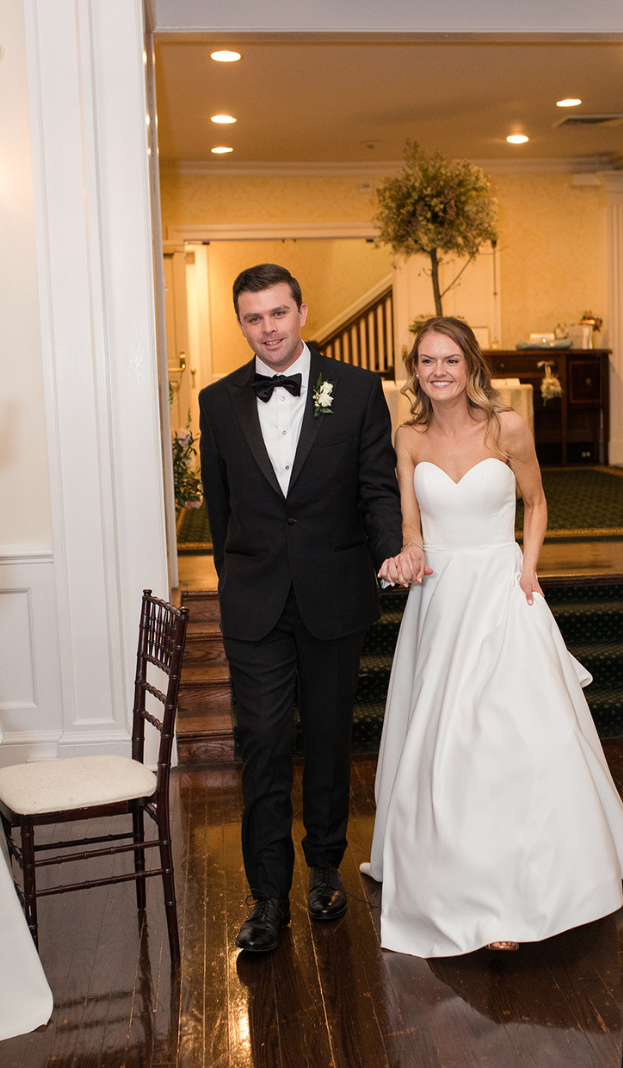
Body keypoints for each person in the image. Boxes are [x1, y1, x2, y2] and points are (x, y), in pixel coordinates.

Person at [360, 316, 623, 957]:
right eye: (427, 361)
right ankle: (464, 883)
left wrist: (528, 566)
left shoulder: (507, 428)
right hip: (441, 601)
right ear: (415, 371)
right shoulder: (409, 439)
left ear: (470, 364)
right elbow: (411, 527)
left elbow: (535, 503)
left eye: (450, 359)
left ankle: (533, 881)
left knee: (514, 734)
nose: (438, 371)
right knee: (448, 739)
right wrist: (407, 557)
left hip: (506, 591)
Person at [198, 263, 402, 953]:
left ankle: (323, 867)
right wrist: (243, 582)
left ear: (302, 310)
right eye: (253, 318)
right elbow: (221, 511)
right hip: (254, 604)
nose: (268, 329)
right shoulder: (218, 399)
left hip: (334, 596)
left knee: (327, 737)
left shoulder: (358, 389)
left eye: (278, 314)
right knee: (260, 745)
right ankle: (266, 896)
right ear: (242, 323)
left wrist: (391, 551)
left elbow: (377, 485)